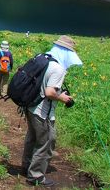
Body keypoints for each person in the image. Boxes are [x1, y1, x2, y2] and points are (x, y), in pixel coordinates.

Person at [22, 35, 83, 187]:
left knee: (32, 137)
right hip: (43, 111)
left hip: (31, 106)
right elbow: (50, 92)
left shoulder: (44, 59)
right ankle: (35, 176)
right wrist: (63, 98)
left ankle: (27, 165)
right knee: (47, 142)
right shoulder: (58, 68)